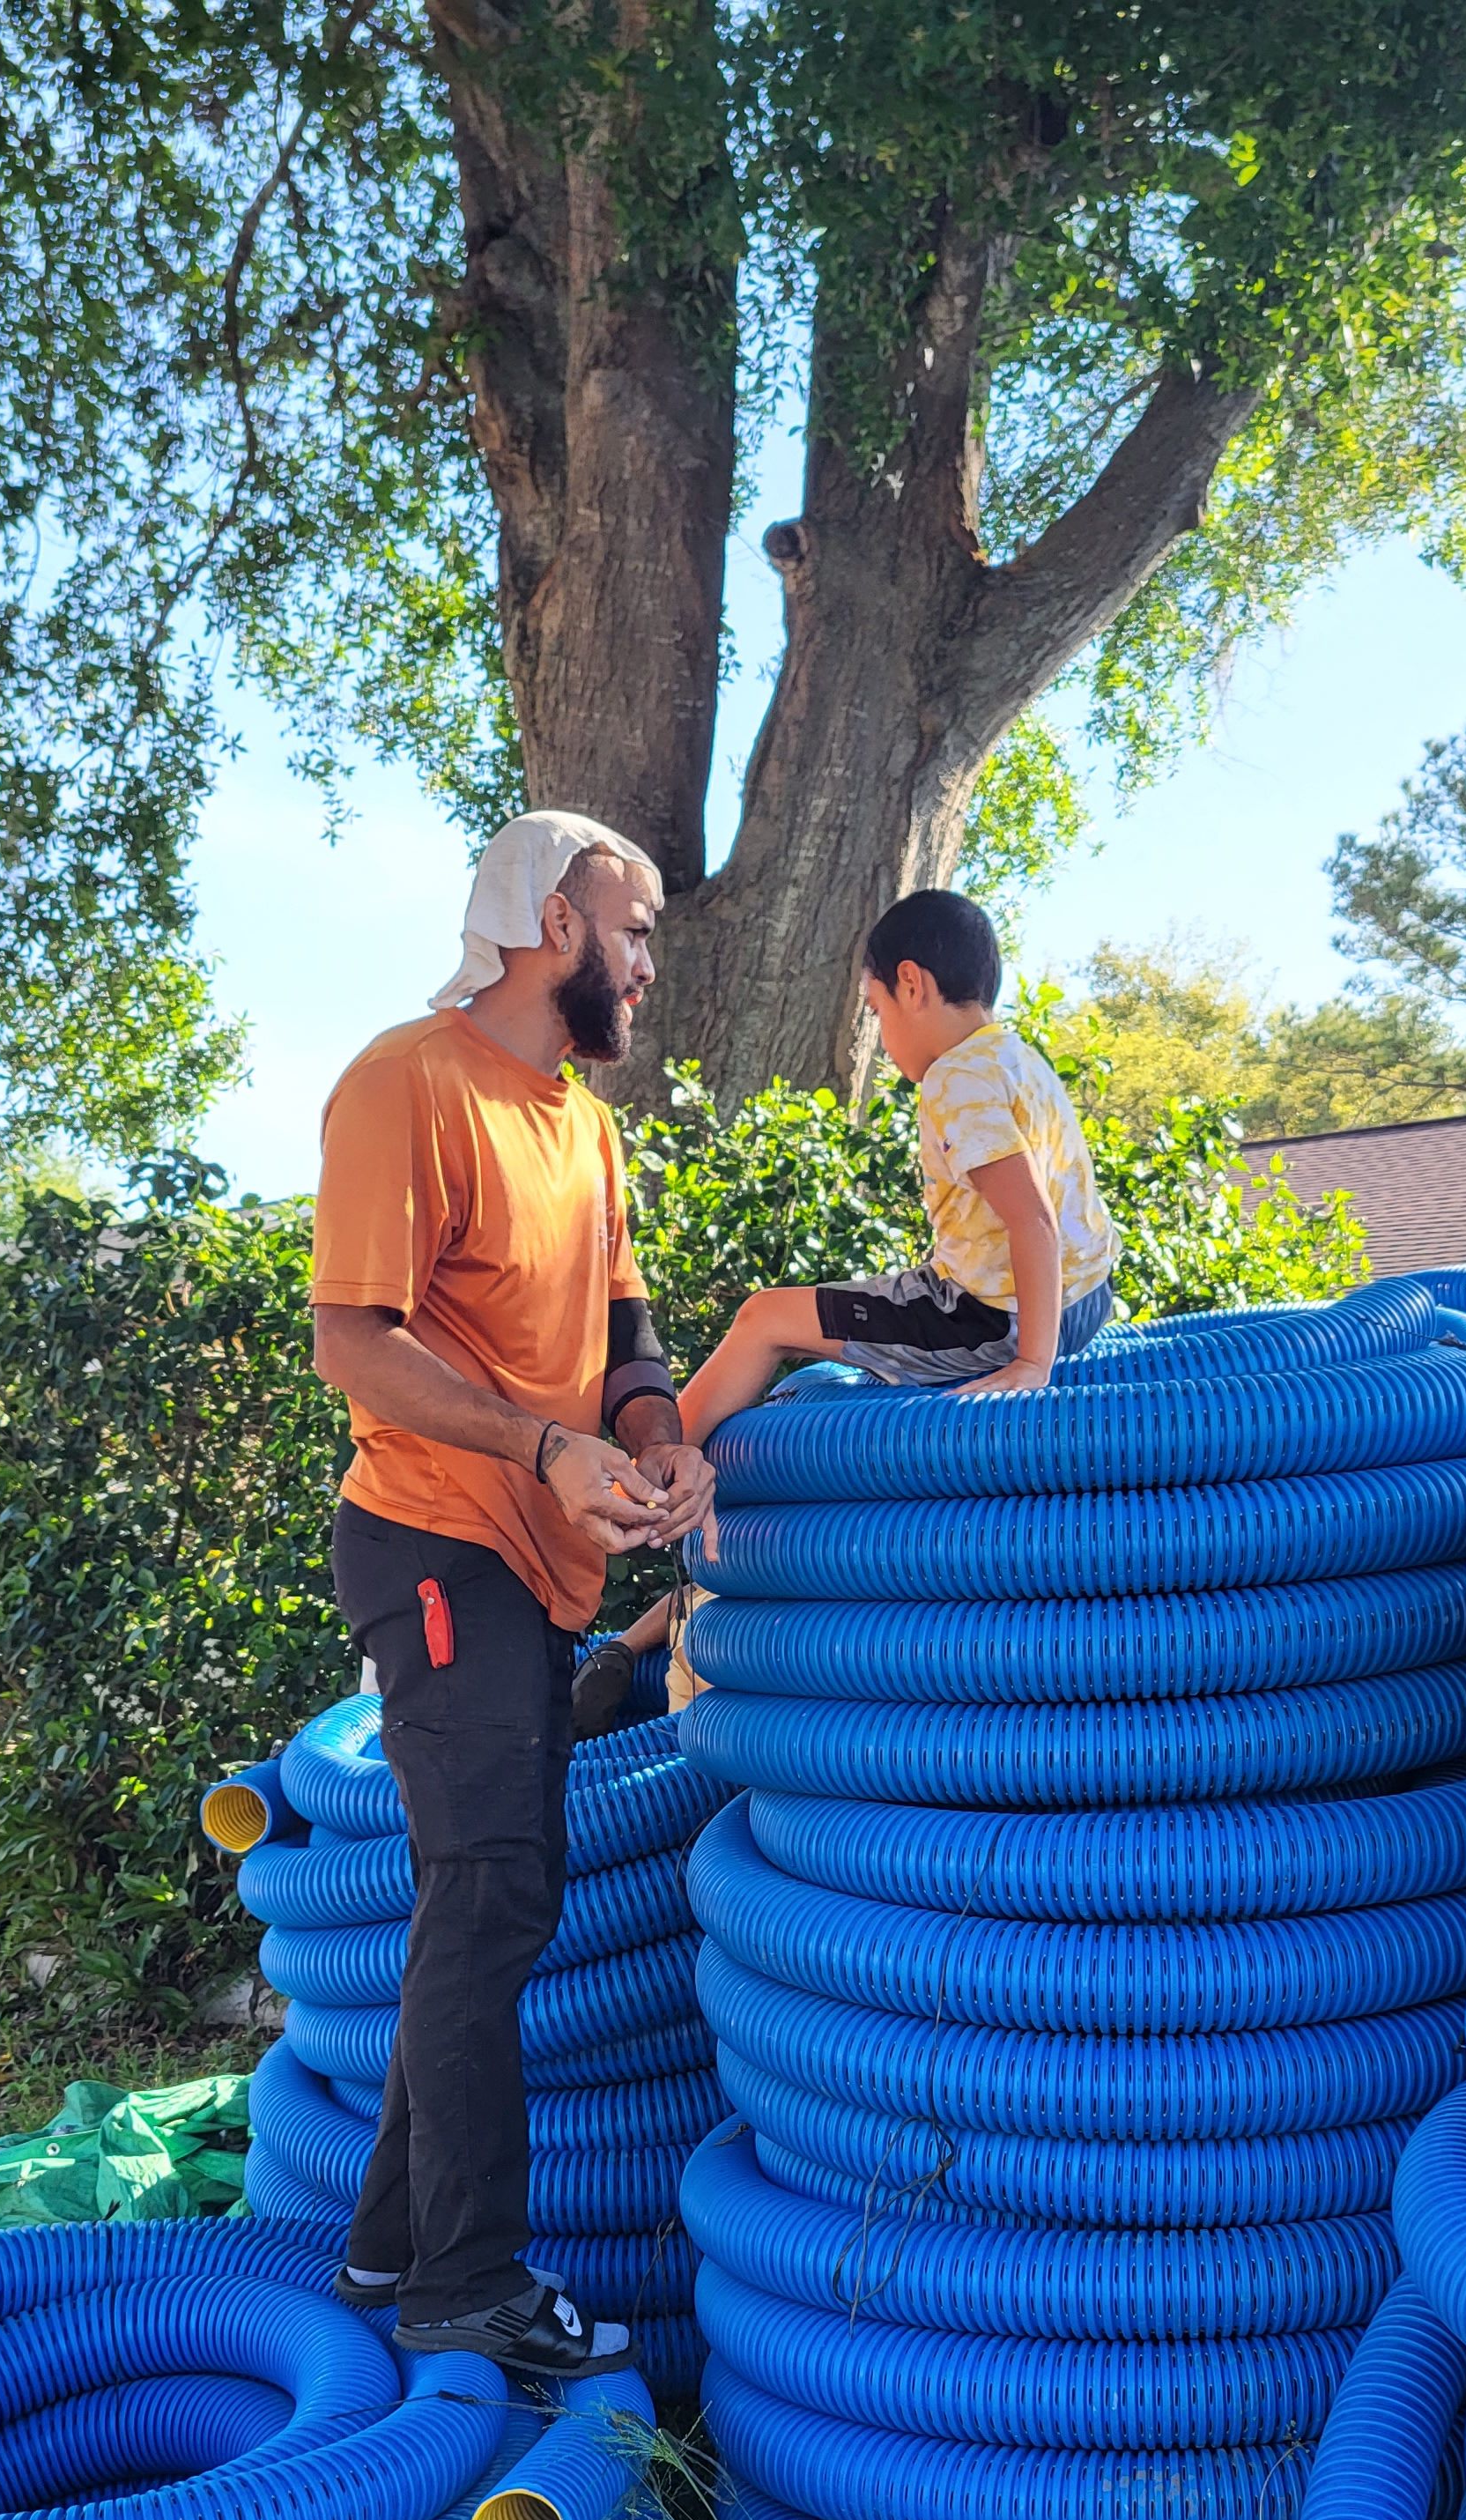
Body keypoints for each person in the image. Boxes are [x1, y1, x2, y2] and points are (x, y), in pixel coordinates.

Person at [307, 808, 714, 2368]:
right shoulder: (406, 1084)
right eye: (636, 929)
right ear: (554, 922)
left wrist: (654, 1436)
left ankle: (388, 2252)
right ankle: (467, 2282)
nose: (649, 962)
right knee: (492, 1893)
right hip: (430, 1542)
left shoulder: (582, 1127)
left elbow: (625, 1327)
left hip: (536, 1563)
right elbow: (355, 1340)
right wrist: (541, 1447)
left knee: (490, 1898)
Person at [673, 886, 1120, 1434]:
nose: (881, 1037)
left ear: (911, 984)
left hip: (998, 1320)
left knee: (763, 1317)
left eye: (876, 1010)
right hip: (1087, 1299)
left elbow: (1032, 1218)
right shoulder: (1018, 1058)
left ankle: (649, 1480)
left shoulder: (955, 1077)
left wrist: (1032, 1364)